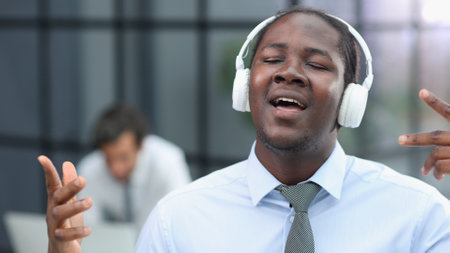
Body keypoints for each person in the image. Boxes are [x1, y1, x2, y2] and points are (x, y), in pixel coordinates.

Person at [39, 6, 450, 253]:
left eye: (318, 64)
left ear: (350, 101)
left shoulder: (418, 214)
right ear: (244, 87)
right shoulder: (178, 220)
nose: (289, 72)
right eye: (272, 59)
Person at [77, 104, 191, 229]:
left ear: (141, 145)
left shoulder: (167, 163)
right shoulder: (89, 170)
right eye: (108, 159)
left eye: (123, 157)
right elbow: (86, 225)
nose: (116, 168)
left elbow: (180, 217)